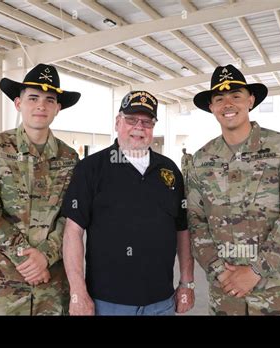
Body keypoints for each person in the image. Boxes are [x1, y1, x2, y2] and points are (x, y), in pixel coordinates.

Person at [188, 64, 280, 315]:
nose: (228, 104)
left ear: (250, 100)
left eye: (236, 96)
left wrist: (257, 270)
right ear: (212, 107)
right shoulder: (200, 160)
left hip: (277, 292)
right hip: (225, 294)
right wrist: (219, 271)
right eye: (220, 99)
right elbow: (195, 222)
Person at [61, 90, 195, 315]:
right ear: (117, 122)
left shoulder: (169, 170)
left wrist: (187, 283)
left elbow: (183, 230)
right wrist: (77, 291)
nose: (139, 127)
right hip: (107, 302)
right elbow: (72, 232)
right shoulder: (91, 169)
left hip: (161, 301)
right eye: (131, 119)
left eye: (147, 122)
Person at [0, 64, 81, 315]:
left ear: (58, 108)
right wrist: (26, 258)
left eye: (50, 100)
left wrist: (45, 256)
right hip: (2, 284)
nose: (41, 105)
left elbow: (73, 214)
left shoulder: (70, 158)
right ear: (18, 103)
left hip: (51, 285)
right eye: (33, 98)